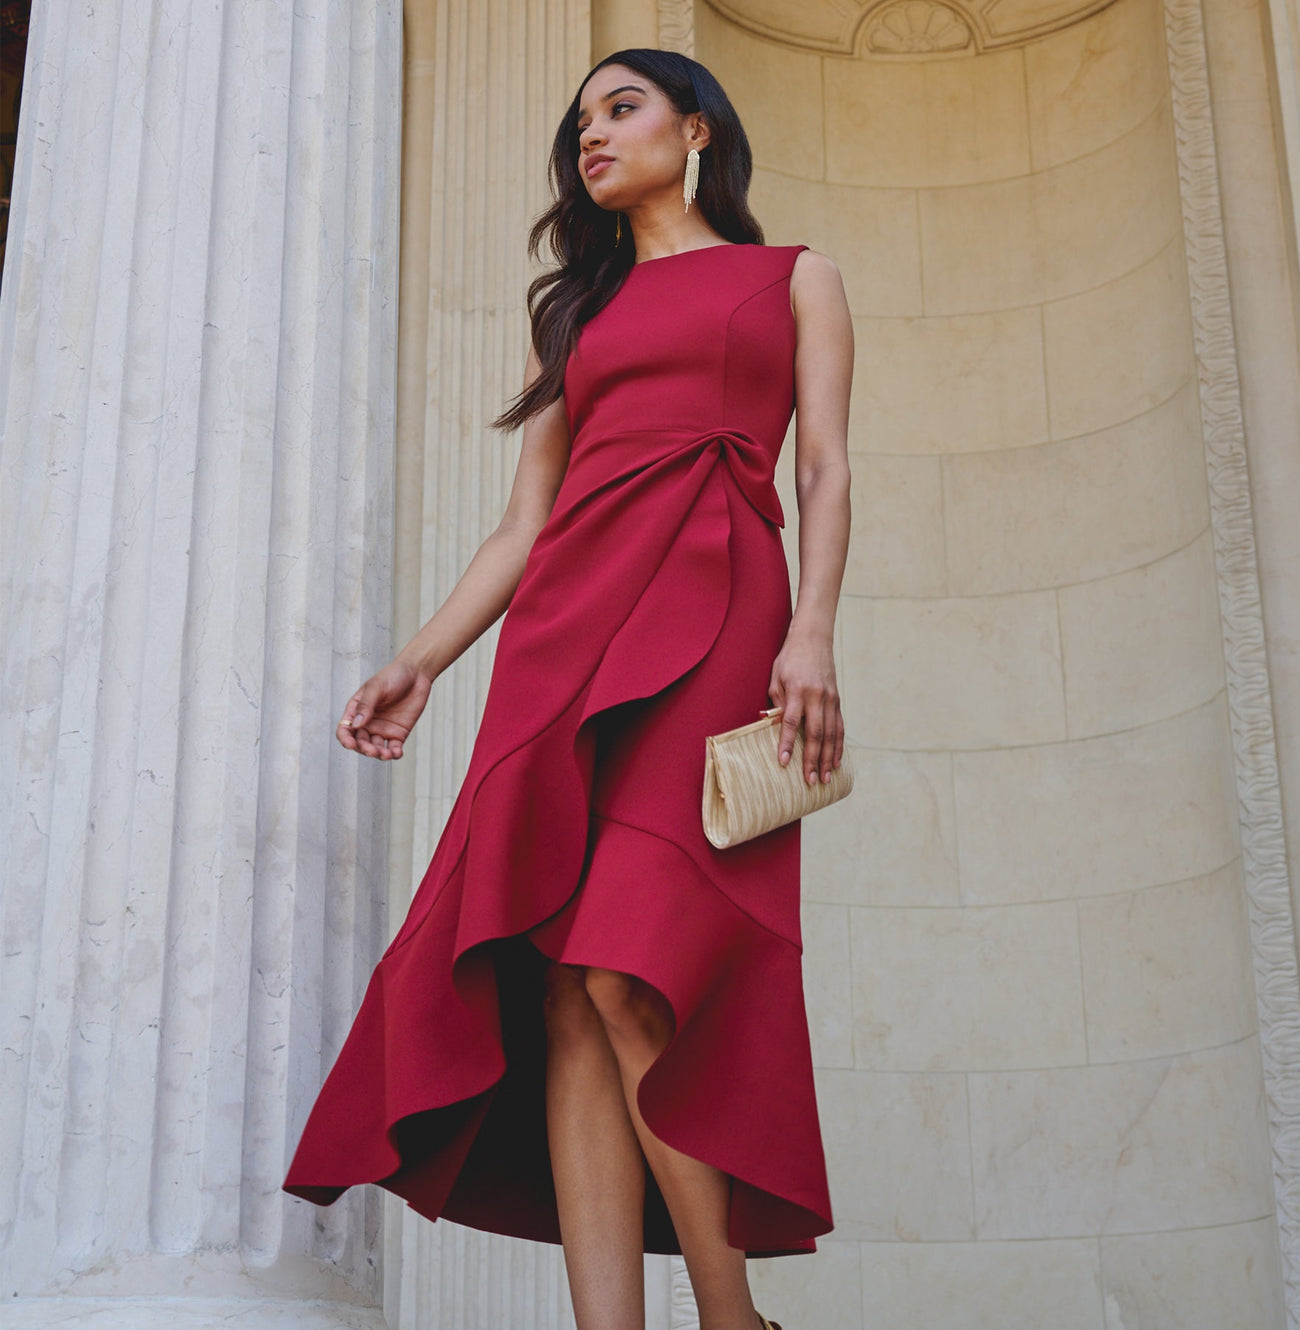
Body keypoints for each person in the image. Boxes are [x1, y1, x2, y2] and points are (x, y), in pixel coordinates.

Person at [283, 46, 854, 1330]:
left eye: (622, 107)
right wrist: (421, 659)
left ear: (696, 128)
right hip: (563, 636)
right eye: (580, 121)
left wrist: (810, 632)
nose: (591, 135)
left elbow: (822, 469)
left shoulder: (794, 277)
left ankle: (730, 1313)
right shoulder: (575, 316)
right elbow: (520, 527)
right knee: (560, 985)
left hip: (718, 610)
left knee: (623, 966)